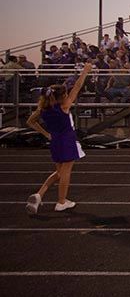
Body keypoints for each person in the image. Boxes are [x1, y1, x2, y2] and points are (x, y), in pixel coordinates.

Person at [25, 63, 93, 214]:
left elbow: (30, 121)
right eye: (65, 94)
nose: (67, 95)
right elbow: (77, 86)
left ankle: (39, 195)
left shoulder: (43, 109)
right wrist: (85, 71)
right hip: (67, 139)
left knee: (59, 173)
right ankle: (61, 202)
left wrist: (46, 134)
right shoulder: (64, 106)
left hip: (55, 140)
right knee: (65, 173)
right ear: (62, 97)